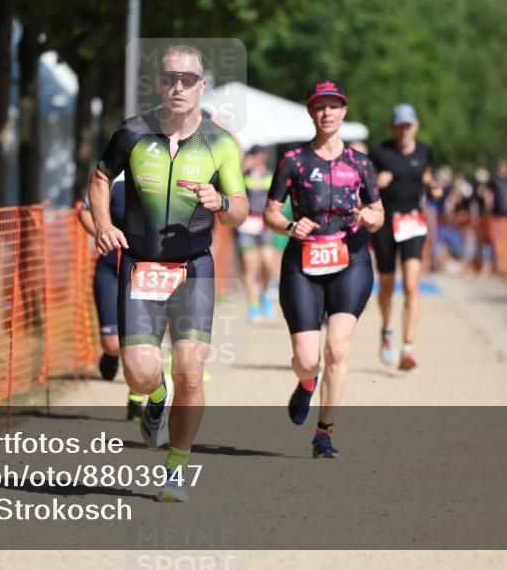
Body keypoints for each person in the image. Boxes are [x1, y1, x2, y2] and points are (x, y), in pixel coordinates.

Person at [89, 45, 248, 501]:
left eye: (187, 78)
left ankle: (175, 469)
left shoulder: (220, 142)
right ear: (158, 83)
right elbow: (101, 179)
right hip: (139, 265)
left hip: (193, 267)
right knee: (138, 372)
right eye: (168, 78)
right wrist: (103, 224)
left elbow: (240, 209)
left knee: (192, 373)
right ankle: (154, 398)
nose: (176, 86)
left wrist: (221, 204)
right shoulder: (132, 132)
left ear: (201, 86)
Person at [264, 80, 384, 458]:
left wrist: (370, 216)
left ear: (344, 112)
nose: (327, 113)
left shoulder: (360, 164)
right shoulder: (293, 160)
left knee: (337, 349)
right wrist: (288, 225)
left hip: (352, 260)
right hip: (303, 260)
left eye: (334, 106)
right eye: (320, 107)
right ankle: (306, 382)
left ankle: (324, 433)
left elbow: (379, 213)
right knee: (307, 358)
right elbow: (269, 211)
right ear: (311, 112)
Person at [368, 103, 433, 371]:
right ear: (393, 126)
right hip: (385, 223)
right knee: (386, 284)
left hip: (412, 223)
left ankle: (408, 347)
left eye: (409, 125)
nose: (405, 130)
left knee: (410, 284)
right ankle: (387, 331)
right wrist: (376, 182)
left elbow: (426, 176)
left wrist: (434, 187)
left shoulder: (426, 151)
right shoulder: (380, 152)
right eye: (400, 125)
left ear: (416, 125)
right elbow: (365, 185)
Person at [78, 176, 145, 420]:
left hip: (144, 269)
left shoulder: (163, 176)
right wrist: (103, 233)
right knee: (113, 343)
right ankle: (109, 354)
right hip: (111, 266)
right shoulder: (114, 180)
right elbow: (84, 212)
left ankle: (135, 399)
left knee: (138, 340)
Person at [238, 145, 278, 322]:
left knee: (268, 263)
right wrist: (244, 167)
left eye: (262, 155)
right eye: (256, 156)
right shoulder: (244, 174)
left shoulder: (270, 173)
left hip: (265, 223)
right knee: (249, 265)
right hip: (247, 223)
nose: (259, 159)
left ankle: (265, 294)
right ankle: (253, 304)